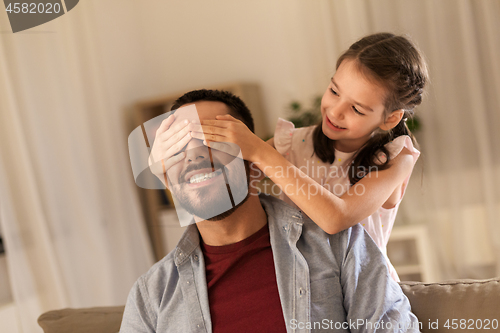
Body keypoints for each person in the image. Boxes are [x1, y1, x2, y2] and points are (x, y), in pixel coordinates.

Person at [120, 89, 421, 332]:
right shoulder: (151, 295)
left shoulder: (340, 246)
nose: (195, 157)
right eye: (178, 148)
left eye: (214, 140)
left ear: (255, 167)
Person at [196, 33, 429, 281]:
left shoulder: (395, 158)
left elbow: (336, 218)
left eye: (357, 109)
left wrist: (259, 151)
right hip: (306, 289)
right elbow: (230, 185)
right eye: (334, 91)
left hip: (367, 288)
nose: (335, 111)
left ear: (390, 118)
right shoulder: (292, 143)